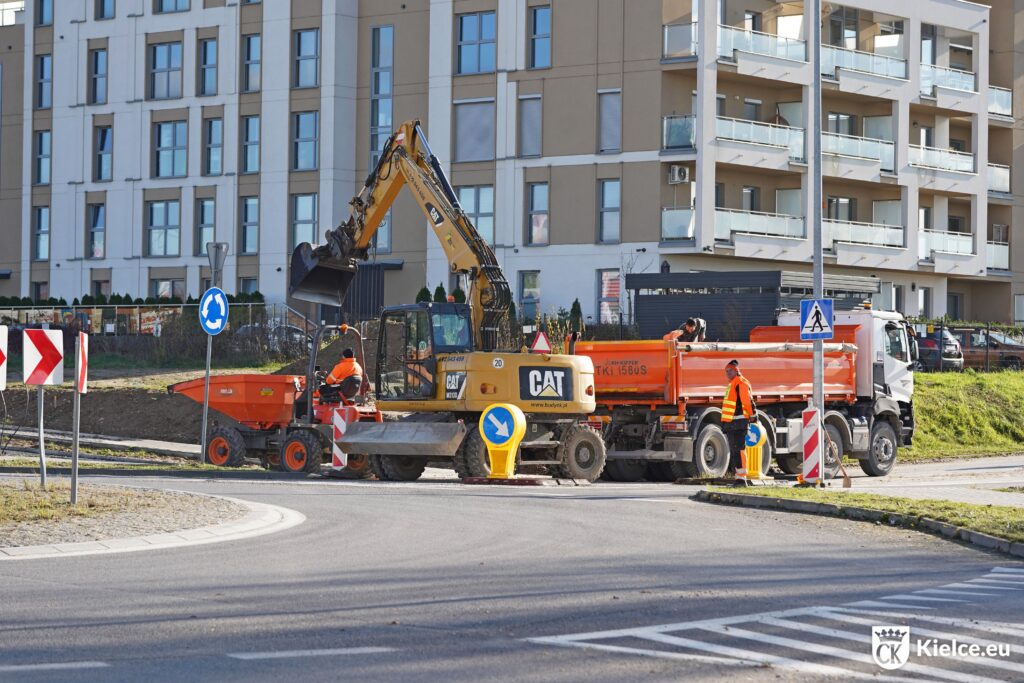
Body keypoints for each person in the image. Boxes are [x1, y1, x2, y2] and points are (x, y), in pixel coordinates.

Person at [720, 359, 756, 477]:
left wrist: (753, 416)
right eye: (726, 371)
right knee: (735, 450)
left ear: (736, 371)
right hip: (732, 423)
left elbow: (747, 401)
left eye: (730, 370)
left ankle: (741, 478)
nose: (728, 373)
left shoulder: (741, 382)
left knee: (739, 450)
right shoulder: (733, 383)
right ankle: (739, 476)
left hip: (739, 422)